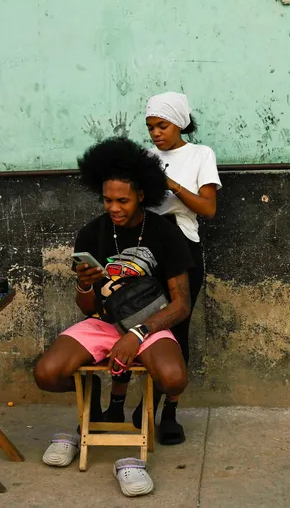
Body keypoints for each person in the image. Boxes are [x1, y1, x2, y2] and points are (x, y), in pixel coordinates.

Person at [33, 137, 193, 497]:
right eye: (108, 200)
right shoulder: (92, 233)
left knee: (173, 380)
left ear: (141, 195)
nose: (114, 208)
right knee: (46, 374)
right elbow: (87, 308)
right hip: (105, 323)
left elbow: (181, 304)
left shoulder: (164, 232)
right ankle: (90, 398)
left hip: (149, 324)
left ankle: (127, 411)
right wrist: (84, 284)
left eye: (123, 201)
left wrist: (138, 334)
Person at [104, 92, 221, 446]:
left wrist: (169, 183)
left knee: (176, 327)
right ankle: (116, 405)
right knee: (126, 319)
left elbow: (208, 209)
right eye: (150, 127)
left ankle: (166, 411)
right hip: (142, 246)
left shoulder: (200, 154)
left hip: (182, 245)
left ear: (180, 123)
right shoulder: (143, 158)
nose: (155, 133)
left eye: (162, 125)